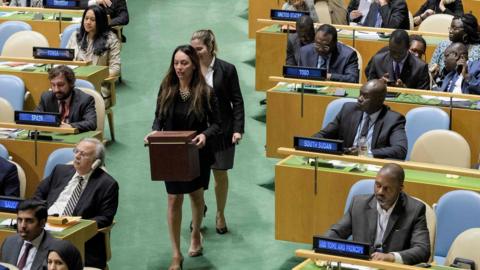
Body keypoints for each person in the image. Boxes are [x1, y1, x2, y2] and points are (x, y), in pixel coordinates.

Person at [144, 45, 221, 270]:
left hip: (197, 153)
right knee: (173, 199)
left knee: (196, 197)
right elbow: (158, 118)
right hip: (170, 152)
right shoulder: (166, 88)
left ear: (194, 65)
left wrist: (205, 136)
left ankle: (196, 233)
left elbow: (216, 124)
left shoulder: (205, 91)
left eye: (184, 63)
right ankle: (176, 254)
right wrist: (154, 132)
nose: (179, 67)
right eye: (176, 63)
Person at [34, 138, 119, 269]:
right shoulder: (60, 170)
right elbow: (39, 194)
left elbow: (105, 218)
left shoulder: (107, 184)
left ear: (96, 162)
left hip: (78, 241)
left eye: (83, 154)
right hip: (45, 228)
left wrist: (74, 225)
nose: (77, 156)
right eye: (76, 151)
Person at [191, 30, 245, 235]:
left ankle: (220, 213)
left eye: (199, 49)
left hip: (222, 130)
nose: (195, 54)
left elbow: (237, 101)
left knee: (220, 174)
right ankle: (199, 208)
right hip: (196, 131)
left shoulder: (227, 69)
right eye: (192, 49)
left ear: (210, 47)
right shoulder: (189, 69)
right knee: (196, 176)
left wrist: (238, 129)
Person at [325, 163, 431, 265]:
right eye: (378, 185)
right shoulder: (359, 204)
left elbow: (422, 250)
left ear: (400, 189)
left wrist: (391, 257)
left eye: (386, 188)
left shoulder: (415, 210)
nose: (380, 191)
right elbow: (337, 233)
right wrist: (322, 246)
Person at [314, 79, 408, 160]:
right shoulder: (348, 110)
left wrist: (364, 153)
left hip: (373, 166)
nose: (359, 99)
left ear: (379, 100)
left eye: (365, 96)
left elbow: (400, 150)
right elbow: (323, 135)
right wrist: (311, 144)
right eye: (360, 94)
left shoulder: (393, 120)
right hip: (345, 161)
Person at [66, 5, 121, 108]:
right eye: (86, 19)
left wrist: (96, 77)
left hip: (98, 86)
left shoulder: (111, 40)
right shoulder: (75, 36)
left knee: (79, 104)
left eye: (92, 20)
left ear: (100, 22)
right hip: (74, 83)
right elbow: (66, 59)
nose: (88, 22)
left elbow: (116, 68)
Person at [35, 65, 97, 133]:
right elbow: (36, 117)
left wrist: (71, 126)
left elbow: (91, 123)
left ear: (71, 83)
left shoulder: (85, 99)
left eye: (60, 85)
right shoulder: (46, 97)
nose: (56, 90)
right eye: (53, 85)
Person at [0, 200, 59, 270]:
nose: (23, 226)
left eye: (29, 221)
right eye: (19, 220)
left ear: (42, 223)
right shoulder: (9, 242)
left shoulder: (54, 249)